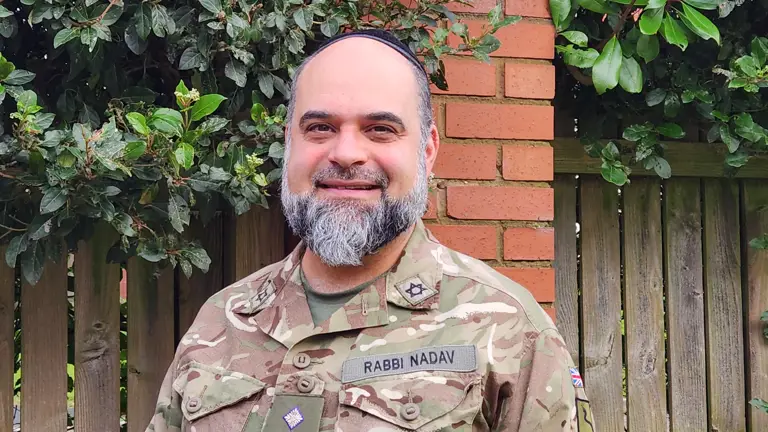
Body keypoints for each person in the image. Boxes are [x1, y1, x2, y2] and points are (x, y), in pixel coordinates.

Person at [146, 29, 594, 432]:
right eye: (320, 127)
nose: (345, 153)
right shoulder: (221, 320)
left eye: (380, 129)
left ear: (428, 151)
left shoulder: (507, 327)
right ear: (289, 143)